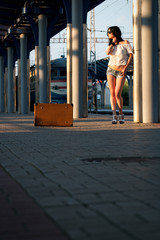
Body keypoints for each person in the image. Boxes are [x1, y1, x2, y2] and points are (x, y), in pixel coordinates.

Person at [106, 26, 133, 124]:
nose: (108, 33)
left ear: (115, 32)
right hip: (110, 70)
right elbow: (107, 53)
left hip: (121, 70)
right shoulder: (112, 45)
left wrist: (125, 68)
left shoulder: (125, 43)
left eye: (109, 32)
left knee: (117, 94)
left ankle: (121, 113)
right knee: (112, 93)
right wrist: (112, 44)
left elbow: (131, 55)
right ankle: (114, 115)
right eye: (108, 32)